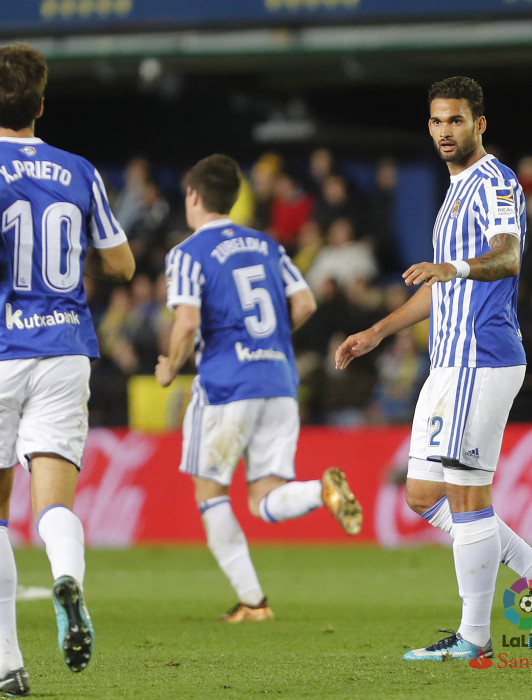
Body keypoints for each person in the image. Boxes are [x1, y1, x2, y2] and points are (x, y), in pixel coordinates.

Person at [335, 76, 532, 660]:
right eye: (438, 121)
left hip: (480, 356)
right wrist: (377, 332)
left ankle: (474, 638)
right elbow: (438, 287)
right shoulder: (453, 191)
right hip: (447, 363)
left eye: (457, 120)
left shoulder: (496, 181)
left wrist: (458, 268)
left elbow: (507, 255)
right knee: (423, 494)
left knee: (468, 497)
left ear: (479, 124)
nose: (446, 131)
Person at [0, 44, 134, 696]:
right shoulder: (79, 170)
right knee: (53, 502)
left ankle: (9, 665)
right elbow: (123, 264)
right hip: (64, 348)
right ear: (41, 106)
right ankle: (66, 578)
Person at [155, 154, 362, 623]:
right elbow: (304, 303)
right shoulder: (268, 245)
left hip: (227, 385)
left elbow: (186, 323)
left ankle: (253, 602)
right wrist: (266, 341)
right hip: (279, 381)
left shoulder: (188, 252)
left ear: (193, 196)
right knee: (265, 499)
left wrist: (170, 367)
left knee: (210, 493)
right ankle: (320, 492)